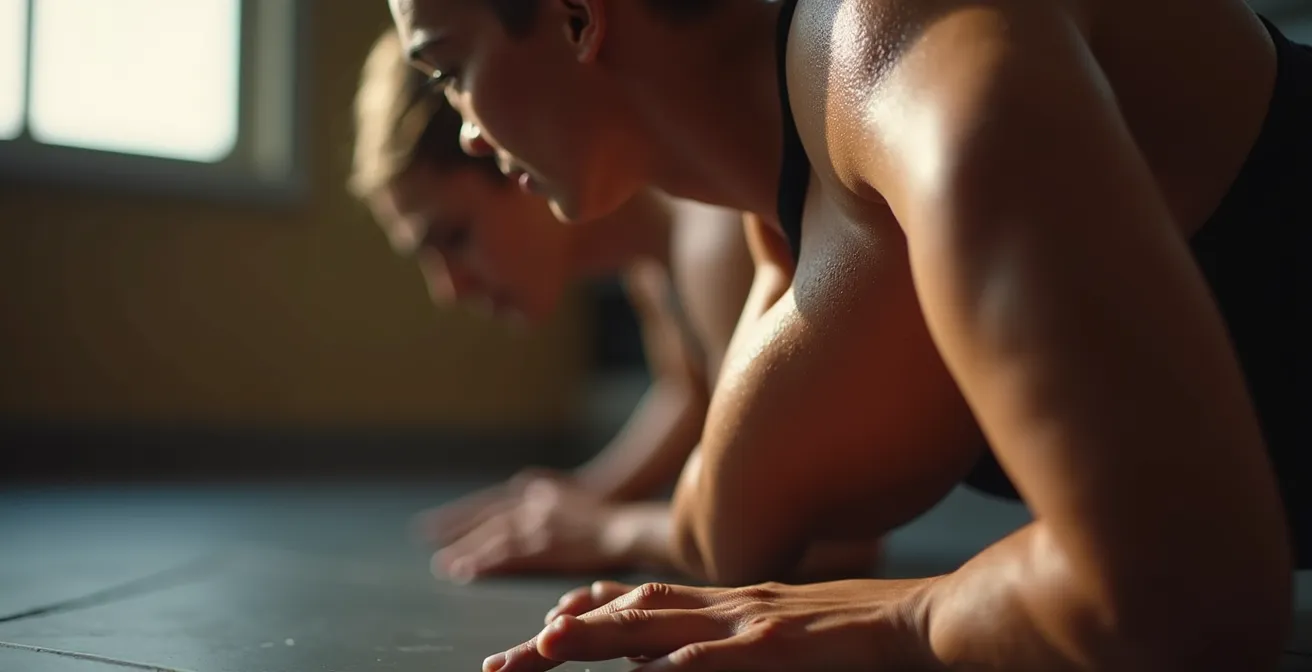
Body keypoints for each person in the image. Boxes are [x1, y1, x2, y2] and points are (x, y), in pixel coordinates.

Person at [389, 0, 1310, 670]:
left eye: (446, 67)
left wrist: (903, 621)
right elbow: (731, 538)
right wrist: (612, 522)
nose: (468, 134)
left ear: (575, 17)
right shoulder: (780, 218)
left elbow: (1180, 596)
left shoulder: (916, 41)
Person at [350, 30, 879, 584]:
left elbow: (826, 543)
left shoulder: (716, 244)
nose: (449, 288)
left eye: (455, 237)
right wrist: (585, 494)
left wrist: (611, 528)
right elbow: (695, 392)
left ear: (513, 153)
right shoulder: (654, 265)